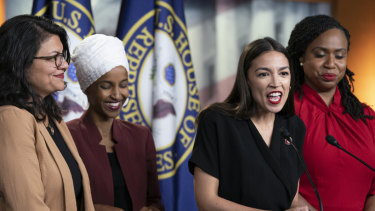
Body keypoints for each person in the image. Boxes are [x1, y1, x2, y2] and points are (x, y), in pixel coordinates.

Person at [188, 37, 309, 210]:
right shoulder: (216, 121)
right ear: (246, 80)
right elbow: (207, 202)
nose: (276, 83)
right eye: (264, 74)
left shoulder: (294, 126)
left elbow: (291, 200)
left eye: (283, 73)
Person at [0, 15, 94, 211]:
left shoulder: (50, 115)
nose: (65, 65)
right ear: (20, 62)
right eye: (53, 58)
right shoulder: (10, 118)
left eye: (63, 57)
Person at [286, 15, 375, 211]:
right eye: (320, 54)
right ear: (301, 57)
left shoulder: (367, 117)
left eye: (340, 55)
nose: (331, 63)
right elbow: (275, 182)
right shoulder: (285, 113)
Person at [67, 34, 164, 211]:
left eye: (123, 84)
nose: (118, 94)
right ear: (87, 88)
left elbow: (155, 200)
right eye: (106, 86)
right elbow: (57, 201)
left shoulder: (141, 136)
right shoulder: (67, 137)